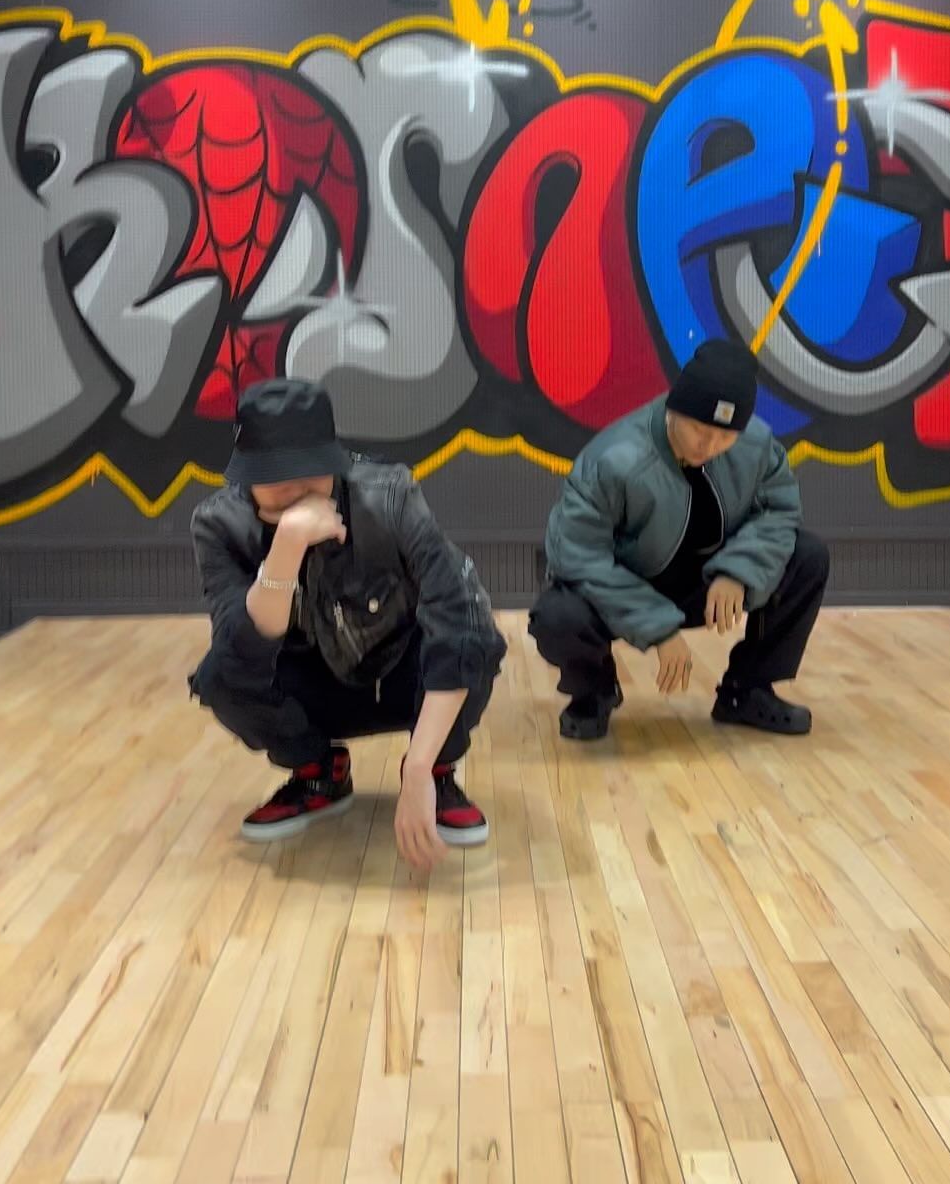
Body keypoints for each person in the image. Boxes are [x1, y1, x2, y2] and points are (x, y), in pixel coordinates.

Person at [188, 378, 506, 869]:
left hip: (402, 676)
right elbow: (239, 657)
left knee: (476, 643)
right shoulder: (218, 525)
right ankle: (319, 772)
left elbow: (460, 622)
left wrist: (419, 767)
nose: (294, 488)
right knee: (220, 676)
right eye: (273, 474)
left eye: (309, 470)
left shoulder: (389, 496)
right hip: (317, 690)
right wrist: (286, 547)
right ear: (245, 474)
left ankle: (437, 770)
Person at [529, 338, 828, 740]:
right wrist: (658, 627)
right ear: (675, 408)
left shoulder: (757, 446)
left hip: (707, 584)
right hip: (629, 587)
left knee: (807, 556)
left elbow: (779, 511)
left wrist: (738, 572)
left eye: (725, 436)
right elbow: (577, 554)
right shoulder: (614, 459)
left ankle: (746, 692)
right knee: (557, 616)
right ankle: (594, 692)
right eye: (699, 430)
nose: (710, 446)